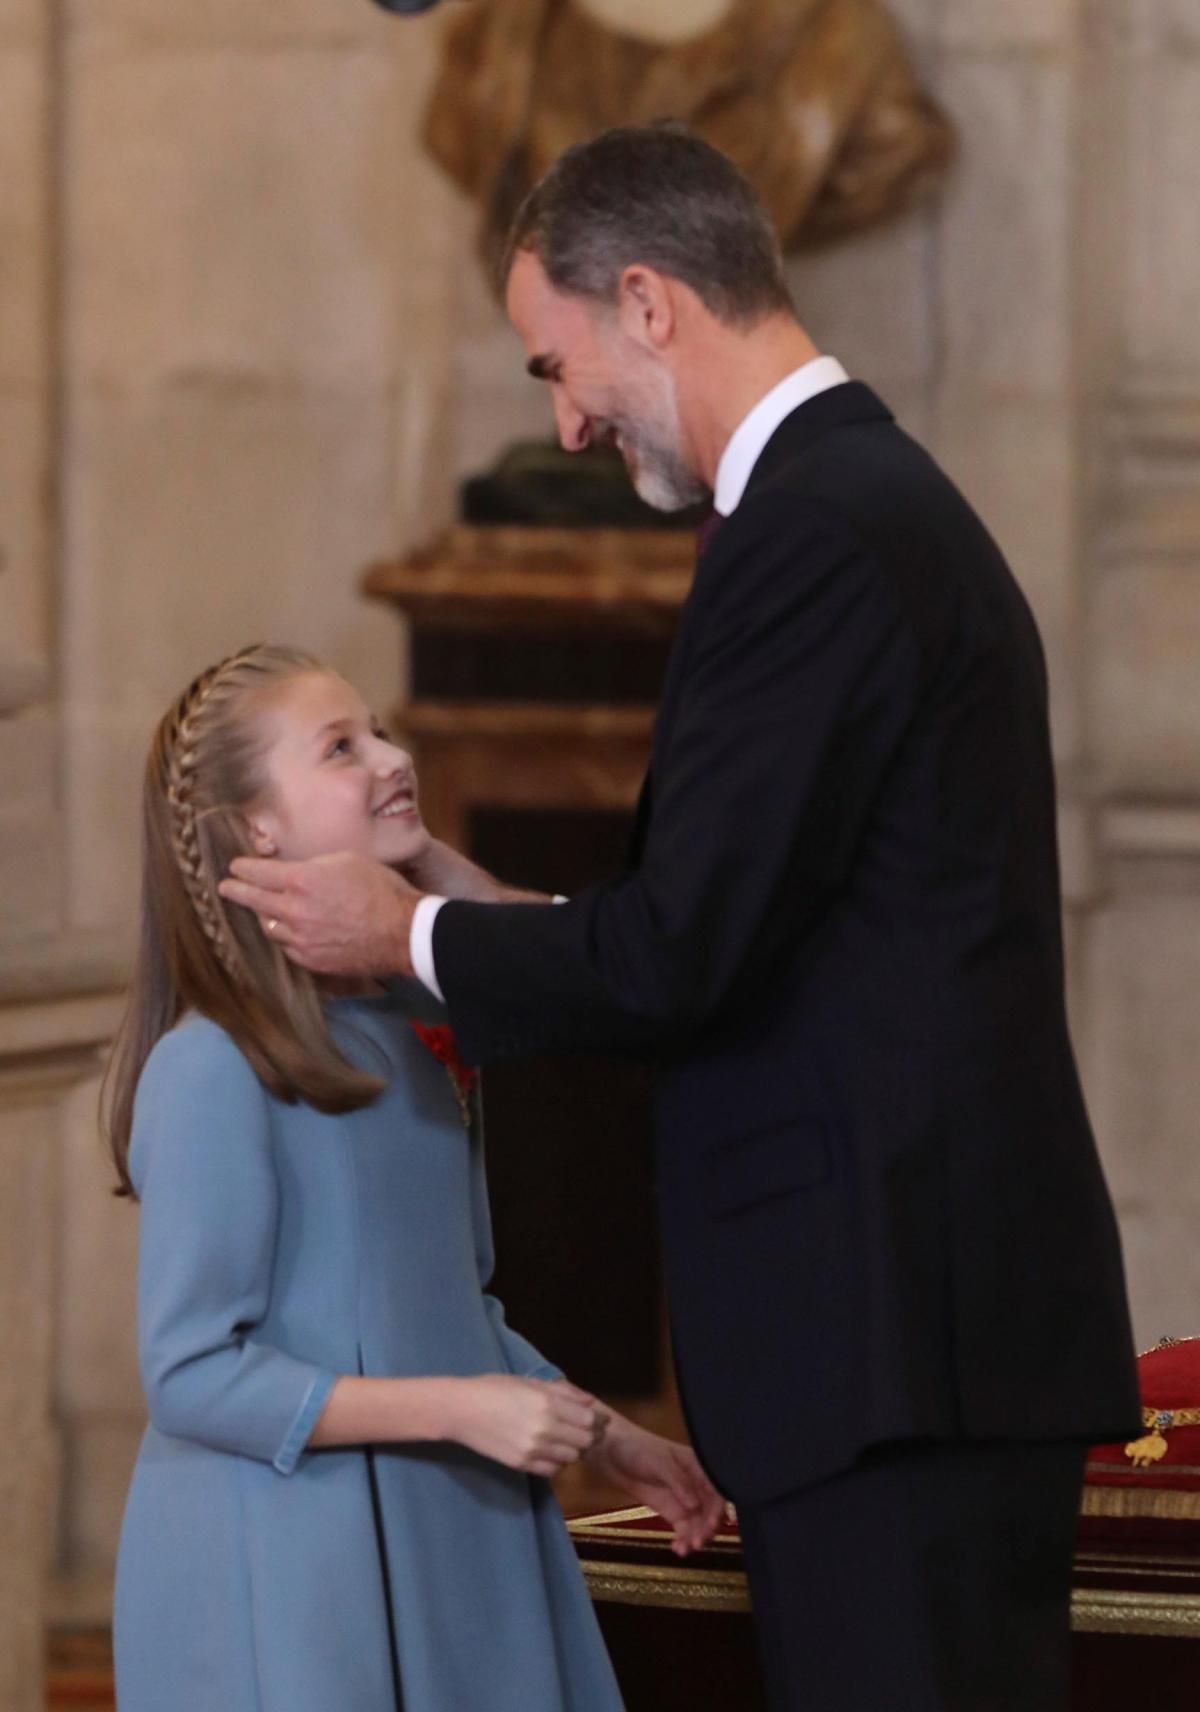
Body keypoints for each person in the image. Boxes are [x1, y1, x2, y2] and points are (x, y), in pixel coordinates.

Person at [220, 130, 1142, 1711]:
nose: (564, 419)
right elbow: (759, 920)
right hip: (907, 1339)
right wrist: (490, 901)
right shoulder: (846, 503)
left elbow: (687, 956)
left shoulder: (815, 527)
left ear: (646, 302)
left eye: (555, 364)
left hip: (890, 1348)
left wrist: (405, 937)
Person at [106, 643, 723, 1712]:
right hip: (299, 1569)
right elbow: (193, 1368)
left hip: (451, 1531)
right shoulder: (211, 1067)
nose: (393, 758)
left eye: (381, 730)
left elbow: (453, 1303)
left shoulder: (421, 1028)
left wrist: (603, 1429)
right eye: (342, 746)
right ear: (259, 830)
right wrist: (460, 1410)